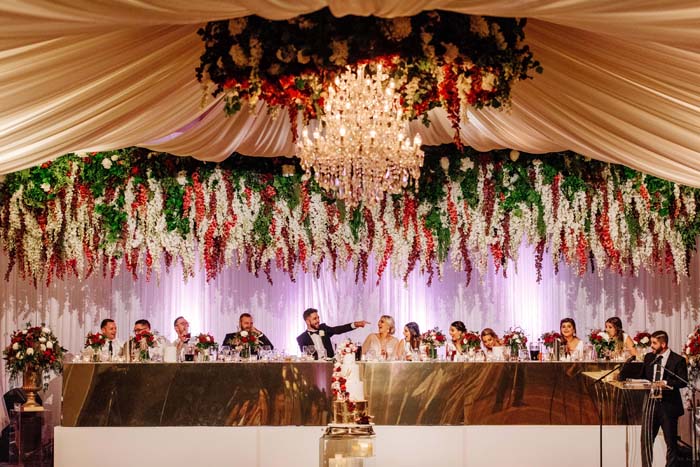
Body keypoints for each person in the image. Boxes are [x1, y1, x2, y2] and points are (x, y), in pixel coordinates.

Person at [624, 330, 687, 467]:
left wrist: (666, 382)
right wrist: (628, 377)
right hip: (650, 404)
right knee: (645, 441)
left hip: (668, 406)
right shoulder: (649, 358)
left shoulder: (678, 360)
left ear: (663, 344)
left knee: (671, 443)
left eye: (654, 343)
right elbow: (642, 376)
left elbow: (683, 381)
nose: (651, 346)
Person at [296, 308, 368, 359]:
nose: (318, 320)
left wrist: (355, 324)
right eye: (315, 319)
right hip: (314, 367)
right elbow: (306, 356)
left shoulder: (323, 328)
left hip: (330, 363)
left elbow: (338, 330)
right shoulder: (301, 338)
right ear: (307, 322)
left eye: (318, 318)